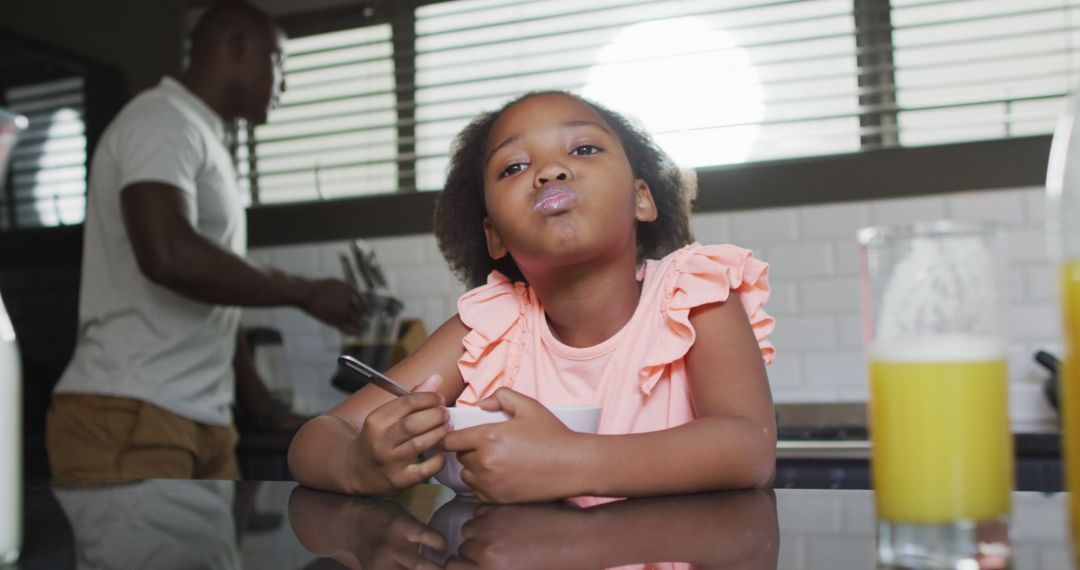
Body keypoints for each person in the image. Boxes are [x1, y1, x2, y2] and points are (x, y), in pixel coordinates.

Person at [288, 90, 776, 502]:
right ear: (494, 235)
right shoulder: (489, 327)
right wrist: (356, 463)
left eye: (584, 149)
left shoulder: (695, 295)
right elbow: (317, 439)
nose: (549, 172)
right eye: (515, 166)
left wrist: (567, 461)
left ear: (642, 198)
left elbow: (748, 448)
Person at [47, 0, 365, 480]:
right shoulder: (160, 121)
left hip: (200, 420)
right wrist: (304, 292)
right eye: (278, 61)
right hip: (131, 413)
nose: (285, 81)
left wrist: (262, 406)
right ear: (236, 48)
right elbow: (168, 256)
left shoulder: (201, 135)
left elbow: (213, 291)